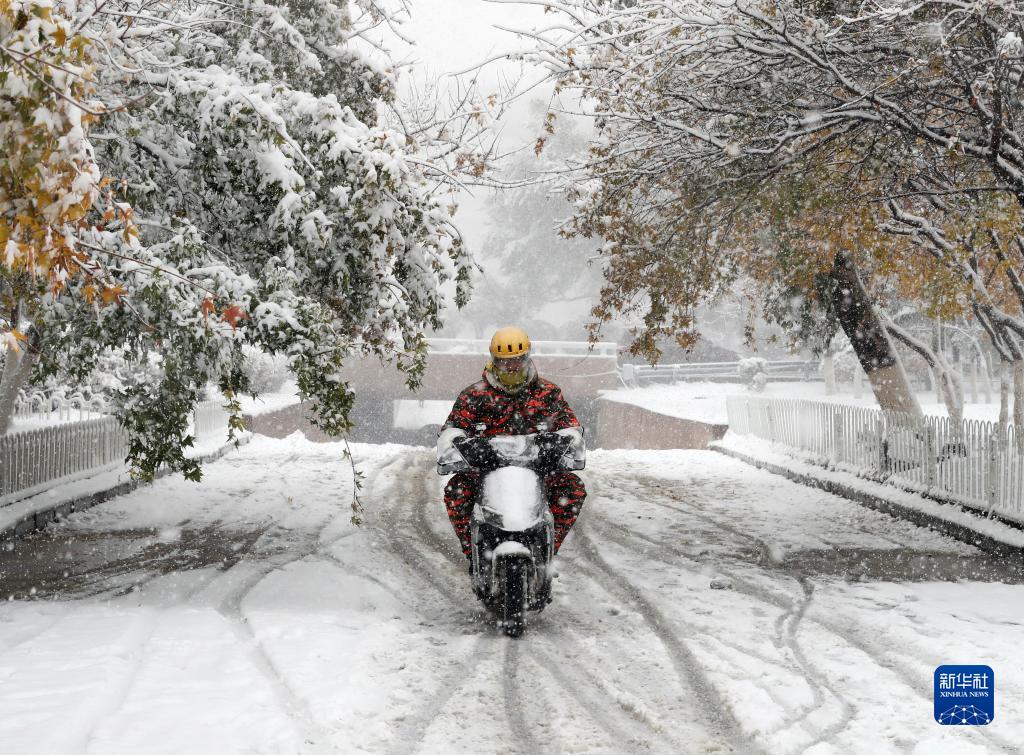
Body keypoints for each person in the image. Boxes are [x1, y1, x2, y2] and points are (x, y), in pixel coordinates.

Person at [436, 326, 587, 563]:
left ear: (527, 358)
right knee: (456, 491)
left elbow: (570, 426)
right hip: (485, 472)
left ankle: (546, 553)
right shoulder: (474, 395)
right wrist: (465, 445)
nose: (512, 367)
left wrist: (560, 442)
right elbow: (452, 429)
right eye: (506, 362)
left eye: (517, 360)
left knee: (572, 488)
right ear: (494, 361)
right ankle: (474, 556)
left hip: (539, 472)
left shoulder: (548, 393)